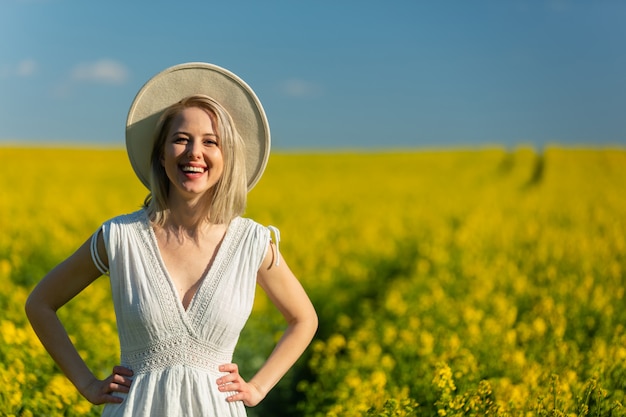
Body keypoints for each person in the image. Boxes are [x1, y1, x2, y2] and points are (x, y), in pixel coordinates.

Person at [25, 62, 318, 416]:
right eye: (181, 139)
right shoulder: (120, 237)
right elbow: (40, 303)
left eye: (211, 142)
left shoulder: (252, 242)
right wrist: (87, 384)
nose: (195, 152)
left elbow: (304, 319)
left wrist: (257, 387)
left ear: (227, 158)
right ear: (160, 155)